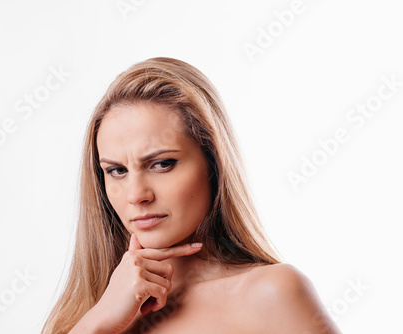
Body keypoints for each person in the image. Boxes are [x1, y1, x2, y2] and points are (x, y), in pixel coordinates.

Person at [42, 57, 342, 333]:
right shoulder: (86, 311)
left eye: (162, 164)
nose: (136, 195)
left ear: (213, 163)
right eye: (117, 171)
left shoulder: (273, 293)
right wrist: (97, 321)